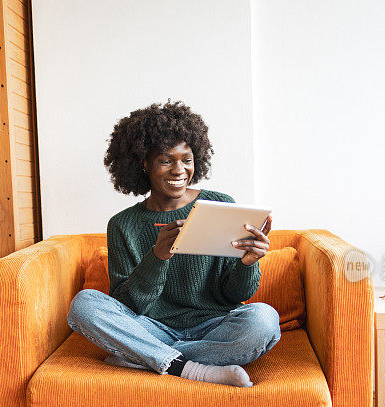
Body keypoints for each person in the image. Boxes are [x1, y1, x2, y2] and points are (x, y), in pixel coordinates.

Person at [66, 101, 280, 387]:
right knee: (84, 305)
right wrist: (158, 256)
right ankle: (193, 369)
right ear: (144, 163)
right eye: (166, 160)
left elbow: (235, 295)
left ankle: (143, 358)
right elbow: (127, 304)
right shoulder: (123, 225)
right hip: (152, 328)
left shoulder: (219, 205)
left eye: (187, 159)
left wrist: (247, 264)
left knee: (264, 320)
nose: (179, 169)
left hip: (213, 327)